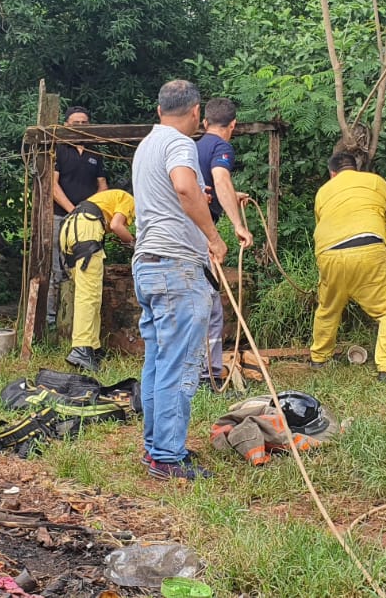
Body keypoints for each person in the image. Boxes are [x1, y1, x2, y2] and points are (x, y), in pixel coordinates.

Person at [132, 80, 227, 481]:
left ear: (158, 110)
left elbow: (176, 193)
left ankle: (156, 449)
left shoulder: (146, 145)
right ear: (195, 113)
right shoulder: (180, 142)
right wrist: (214, 237)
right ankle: (168, 457)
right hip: (176, 267)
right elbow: (185, 187)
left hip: (147, 264)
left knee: (157, 361)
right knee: (181, 363)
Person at [309, 152, 386, 382]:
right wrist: (378, 237)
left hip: (329, 253)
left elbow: (321, 224)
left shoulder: (324, 191)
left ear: (332, 173)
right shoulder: (376, 182)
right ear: (357, 168)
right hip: (369, 249)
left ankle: (320, 359)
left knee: (328, 307)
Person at [196, 98, 254, 383]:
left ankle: (194, 371)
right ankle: (209, 376)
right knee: (211, 309)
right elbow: (220, 181)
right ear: (232, 125)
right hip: (200, 236)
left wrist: (233, 195)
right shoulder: (222, 147)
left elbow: (213, 186)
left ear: (205, 122)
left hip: (181, 233)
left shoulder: (193, 147)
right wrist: (238, 226)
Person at [62, 188, 136, 372]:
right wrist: (136, 244)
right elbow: (118, 226)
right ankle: (81, 348)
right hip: (86, 229)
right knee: (89, 296)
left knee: (89, 292)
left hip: (72, 228)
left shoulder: (110, 198)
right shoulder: (129, 199)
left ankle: (93, 348)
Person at [49, 107, 107, 314]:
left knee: (86, 265)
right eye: (76, 123)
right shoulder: (57, 148)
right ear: (66, 126)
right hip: (60, 216)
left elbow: (103, 186)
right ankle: (52, 320)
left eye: (85, 123)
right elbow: (52, 186)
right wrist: (73, 210)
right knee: (58, 268)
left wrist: (87, 211)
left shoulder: (94, 151)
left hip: (87, 220)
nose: (80, 127)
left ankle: (79, 316)